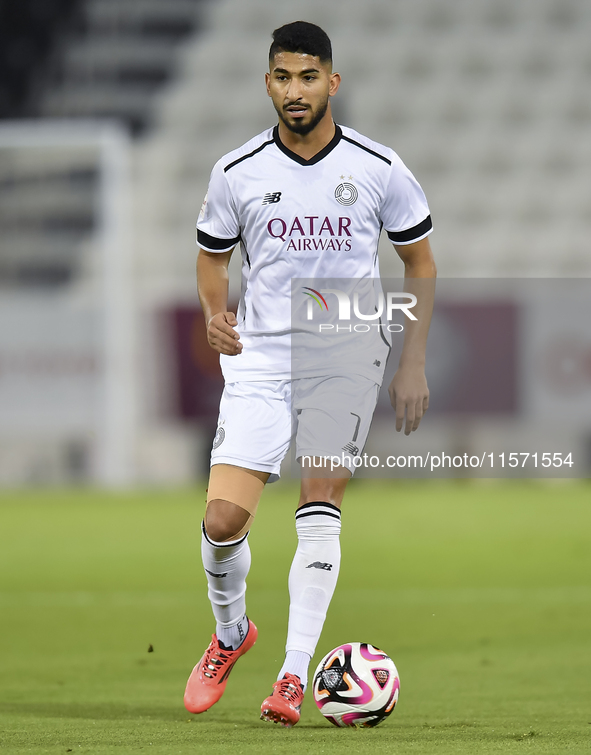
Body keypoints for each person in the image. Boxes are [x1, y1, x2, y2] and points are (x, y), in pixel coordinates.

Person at [184, 20, 436, 727]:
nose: (295, 91)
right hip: (260, 353)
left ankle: (292, 679)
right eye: (283, 77)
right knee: (221, 519)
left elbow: (420, 260)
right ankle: (231, 634)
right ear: (268, 83)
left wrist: (410, 360)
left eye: (308, 76)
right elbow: (211, 254)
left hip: (346, 342)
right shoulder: (236, 171)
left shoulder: (378, 166)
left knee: (318, 499)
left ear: (332, 81)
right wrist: (213, 310)